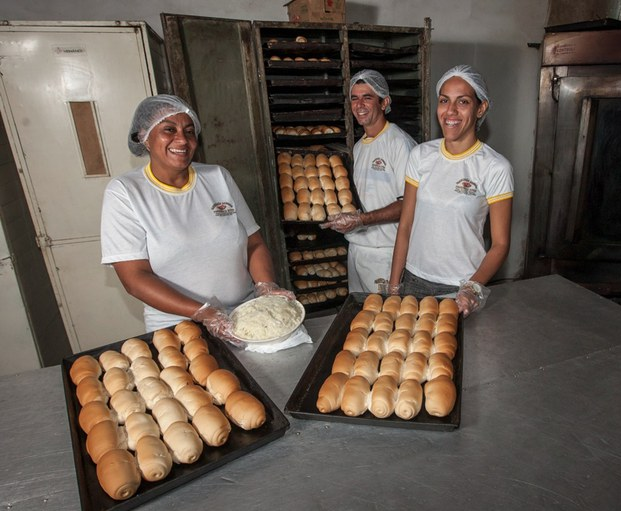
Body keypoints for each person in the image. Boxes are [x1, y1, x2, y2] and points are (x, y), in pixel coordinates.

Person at [100, 94, 293, 339]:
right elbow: (135, 278)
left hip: (246, 315)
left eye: (189, 131)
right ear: (144, 138)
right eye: (168, 130)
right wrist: (202, 312)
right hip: (178, 327)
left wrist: (265, 286)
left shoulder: (217, 177)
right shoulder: (126, 192)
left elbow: (254, 243)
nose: (182, 139)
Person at [388, 65, 514, 317]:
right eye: (444, 100)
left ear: (481, 108)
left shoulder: (494, 167)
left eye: (463, 101)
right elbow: (406, 224)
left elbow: (500, 244)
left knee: (456, 355)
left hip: (461, 286)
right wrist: (393, 288)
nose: (451, 111)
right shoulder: (421, 155)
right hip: (413, 281)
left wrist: (471, 289)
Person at [320, 69, 417, 293]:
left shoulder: (399, 143)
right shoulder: (359, 146)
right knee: (362, 317)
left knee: (385, 322)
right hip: (357, 248)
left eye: (367, 97)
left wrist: (362, 220)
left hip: (387, 252)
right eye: (354, 98)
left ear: (384, 102)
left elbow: (409, 204)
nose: (359, 104)